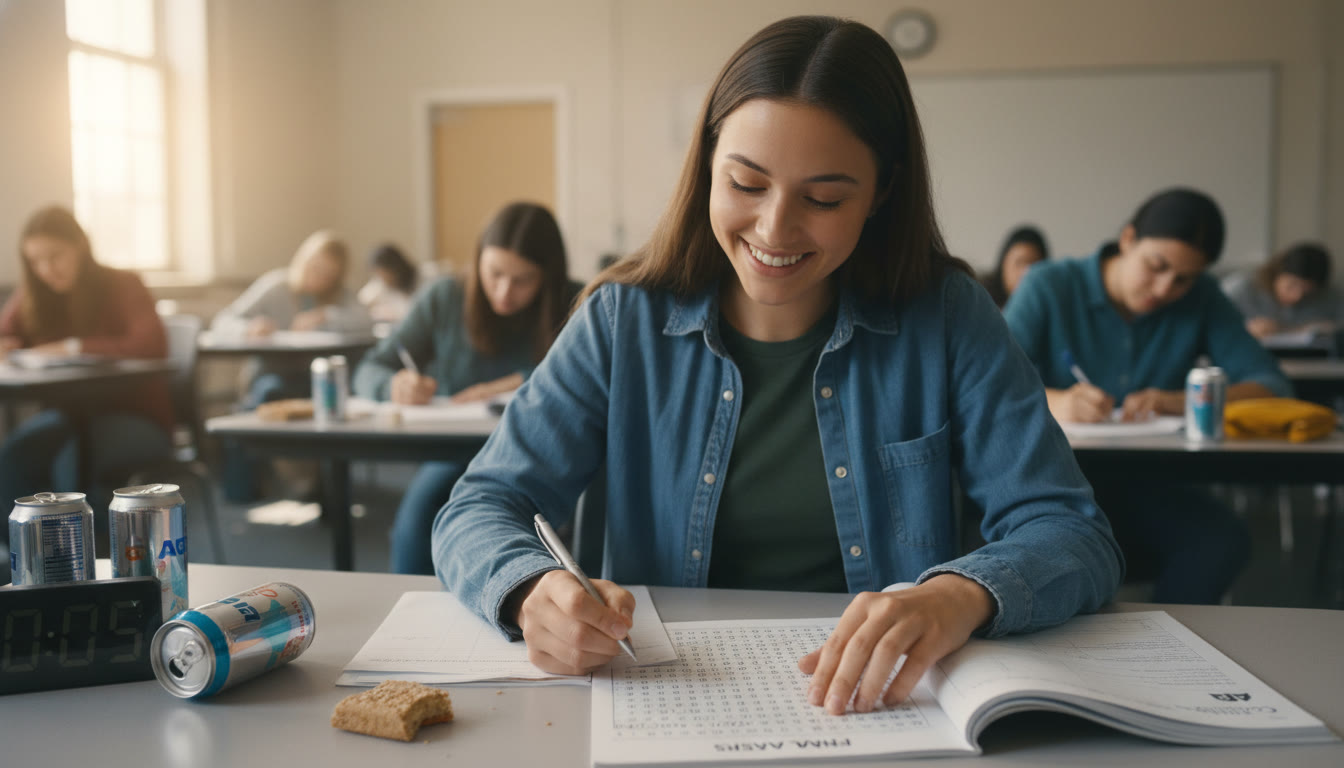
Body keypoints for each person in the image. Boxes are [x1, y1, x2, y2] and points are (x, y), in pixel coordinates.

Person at [433, 16, 1121, 717]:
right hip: (667, 700)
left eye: (823, 199)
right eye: (746, 183)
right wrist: (528, 591)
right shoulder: (622, 320)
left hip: (881, 703)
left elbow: (1071, 531)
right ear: (707, 165)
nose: (774, 230)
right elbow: (479, 508)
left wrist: (956, 596)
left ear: (881, 192)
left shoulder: (947, 317)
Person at [1003, 187, 1291, 604]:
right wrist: (1057, 401)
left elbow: (1272, 384)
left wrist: (1179, 399)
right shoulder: (1049, 285)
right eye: (1155, 266)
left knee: (1220, 542)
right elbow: (985, 387)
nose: (1164, 288)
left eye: (1183, 279)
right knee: (1055, 551)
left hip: (1148, 482)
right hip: (1051, 481)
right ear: (1127, 239)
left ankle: (1170, 659)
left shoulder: (1202, 297)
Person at [354, 202, 580, 574]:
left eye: (522, 279)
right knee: (421, 513)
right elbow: (372, 366)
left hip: (543, 451)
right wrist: (394, 384)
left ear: (548, 277)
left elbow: (596, 374)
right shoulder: (445, 297)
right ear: (478, 262)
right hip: (456, 449)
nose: (505, 291)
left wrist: (516, 381)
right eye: (494, 273)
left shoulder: (577, 300)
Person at [0, 205, 173, 516]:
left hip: (136, 417)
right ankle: (24, 556)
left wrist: (73, 346)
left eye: (55, 256)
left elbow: (152, 345)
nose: (46, 269)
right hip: (68, 417)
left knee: (69, 459)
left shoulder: (123, 284)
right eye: (35, 261)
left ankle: (86, 557)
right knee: (13, 457)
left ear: (80, 247)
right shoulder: (35, 294)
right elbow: (5, 332)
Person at [212, 230, 370, 500]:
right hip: (272, 376)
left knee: (331, 402)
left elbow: (364, 320)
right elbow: (223, 321)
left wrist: (325, 315)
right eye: (314, 268)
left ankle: (323, 489)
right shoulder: (275, 286)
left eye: (327, 275)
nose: (317, 278)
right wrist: (249, 328)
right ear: (302, 260)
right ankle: (243, 489)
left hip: (313, 378)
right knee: (263, 399)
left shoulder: (337, 296)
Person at [1222, 243, 1344, 340]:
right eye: (1291, 285)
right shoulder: (1240, 288)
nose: (1297, 296)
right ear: (1277, 273)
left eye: (1307, 292)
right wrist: (1244, 330)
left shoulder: (1331, 296)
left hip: (1312, 363)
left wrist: (1286, 330)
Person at [979, 225, 1049, 308]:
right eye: (1020, 263)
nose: (1026, 272)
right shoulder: (980, 300)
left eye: (1034, 265)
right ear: (1003, 265)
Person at [357, 243, 419, 325]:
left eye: (385, 274)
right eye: (379, 275)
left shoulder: (422, 279)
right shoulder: (381, 284)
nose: (384, 279)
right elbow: (362, 302)